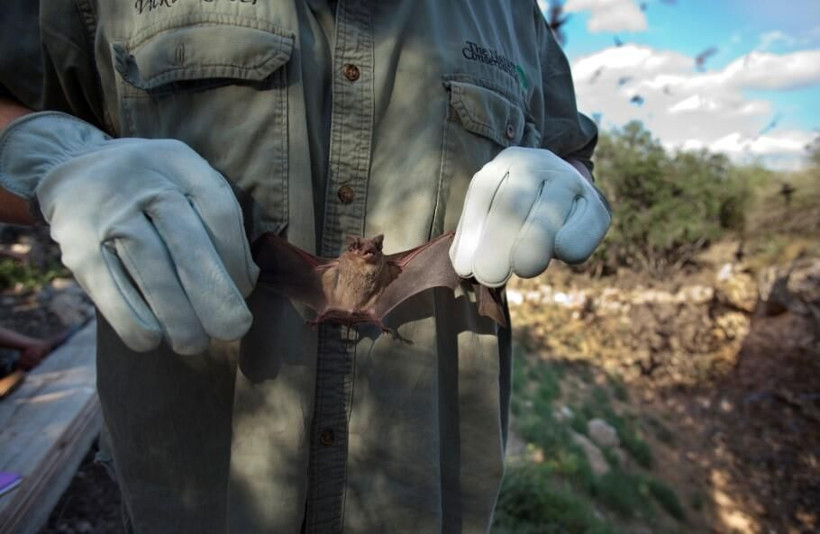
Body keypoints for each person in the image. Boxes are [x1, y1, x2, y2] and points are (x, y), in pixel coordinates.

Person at [0, 1, 611, 532]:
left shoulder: (512, 12)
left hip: (425, 493)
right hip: (199, 491)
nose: (367, 250)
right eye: (364, 248)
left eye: (371, 248)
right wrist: (52, 161)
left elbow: (571, 151)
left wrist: (566, 182)